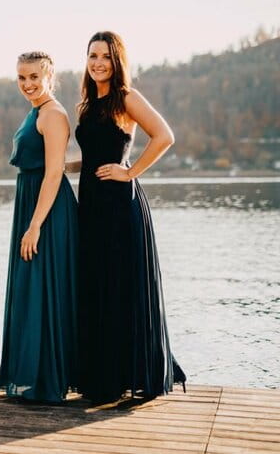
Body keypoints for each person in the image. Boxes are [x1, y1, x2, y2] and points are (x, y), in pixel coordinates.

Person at [74, 31, 186, 403]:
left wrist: (131, 170)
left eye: (105, 56)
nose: (98, 62)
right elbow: (93, 156)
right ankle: (102, 376)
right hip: (90, 206)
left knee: (121, 286)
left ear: (117, 60)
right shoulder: (88, 103)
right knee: (97, 286)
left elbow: (164, 135)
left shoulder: (125, 98)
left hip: (120, 206)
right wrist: (60, 166)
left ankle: (129, 375)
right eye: (92, 56)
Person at [0, 52, 79, 403]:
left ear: (49, 76)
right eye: (21, 77)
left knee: (43, 288)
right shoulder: (37, 112)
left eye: (34, 77)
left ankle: (46, 379)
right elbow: (58, 165)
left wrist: (35, 226)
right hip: (31, 202)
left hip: (46, 210)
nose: (27, 84)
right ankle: (31, 376)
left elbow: (53, 174)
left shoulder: (54, 114)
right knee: (31, 289)